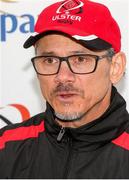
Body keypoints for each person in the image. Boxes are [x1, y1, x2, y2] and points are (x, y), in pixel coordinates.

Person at [0, 0, 129, 178]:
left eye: (80, 59)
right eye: (49, 61)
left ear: (115, 67)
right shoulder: (6, 146)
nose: (62, 76)